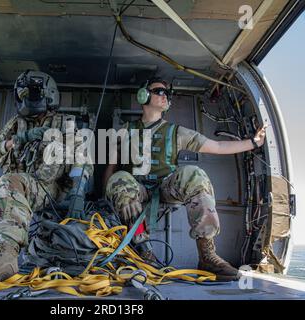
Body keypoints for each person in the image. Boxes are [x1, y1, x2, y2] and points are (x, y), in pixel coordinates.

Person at [103, 77, 267, 281]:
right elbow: (111, 167)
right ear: (144, 95)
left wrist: (253, 142)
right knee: (119, 178)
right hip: (135, 189)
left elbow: (217, 147)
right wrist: (107, 194)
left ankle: (207, 254)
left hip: (166, 187)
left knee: (195, 174)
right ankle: (142, 251)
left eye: (167, 94)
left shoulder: (176, 132)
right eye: (159, 91)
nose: (165, 96)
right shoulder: (124, 131)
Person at [0, 70, 93, 283]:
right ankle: (6, 246)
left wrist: (77, 192)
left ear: (48, 95)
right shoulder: (16, 124)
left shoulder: (66, 123)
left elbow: (83, 162)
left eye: (32, 93)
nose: (27, 98)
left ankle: (6, 253)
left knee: (11, 181)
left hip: (48, 187)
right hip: (13, 185)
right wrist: (18, 139)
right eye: (23, 94)